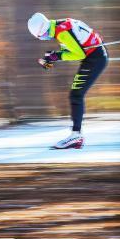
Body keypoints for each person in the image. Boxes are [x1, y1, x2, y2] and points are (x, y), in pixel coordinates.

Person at [27, 12, 108, 149]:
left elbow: (78, 53)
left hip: (94, 59)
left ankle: (76, 136)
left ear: (44, 31)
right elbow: (73, 44)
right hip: (95, 55)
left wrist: (56, 57)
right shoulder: (59, 24)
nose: (46, 39)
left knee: (76, 95)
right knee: (75, 94)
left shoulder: (61, 33)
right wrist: (53, 56)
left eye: (43, 37)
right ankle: (76, 135)